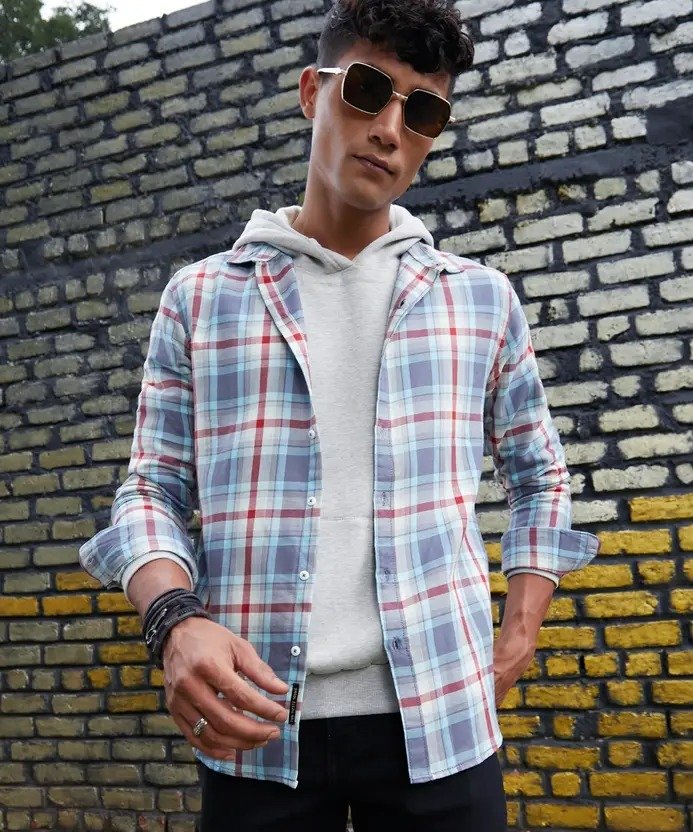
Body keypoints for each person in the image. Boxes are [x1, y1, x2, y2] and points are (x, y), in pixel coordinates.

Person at [79, 1, 601, 829]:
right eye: (366, 90)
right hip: (257, 723)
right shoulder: (203, 298)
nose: (389, 129)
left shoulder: (478, 300)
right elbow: (150, 490)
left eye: (422, 111)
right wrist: (173, 621)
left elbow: (539, 475)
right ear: (309, 92)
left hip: (441, 719)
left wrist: (520, 629)